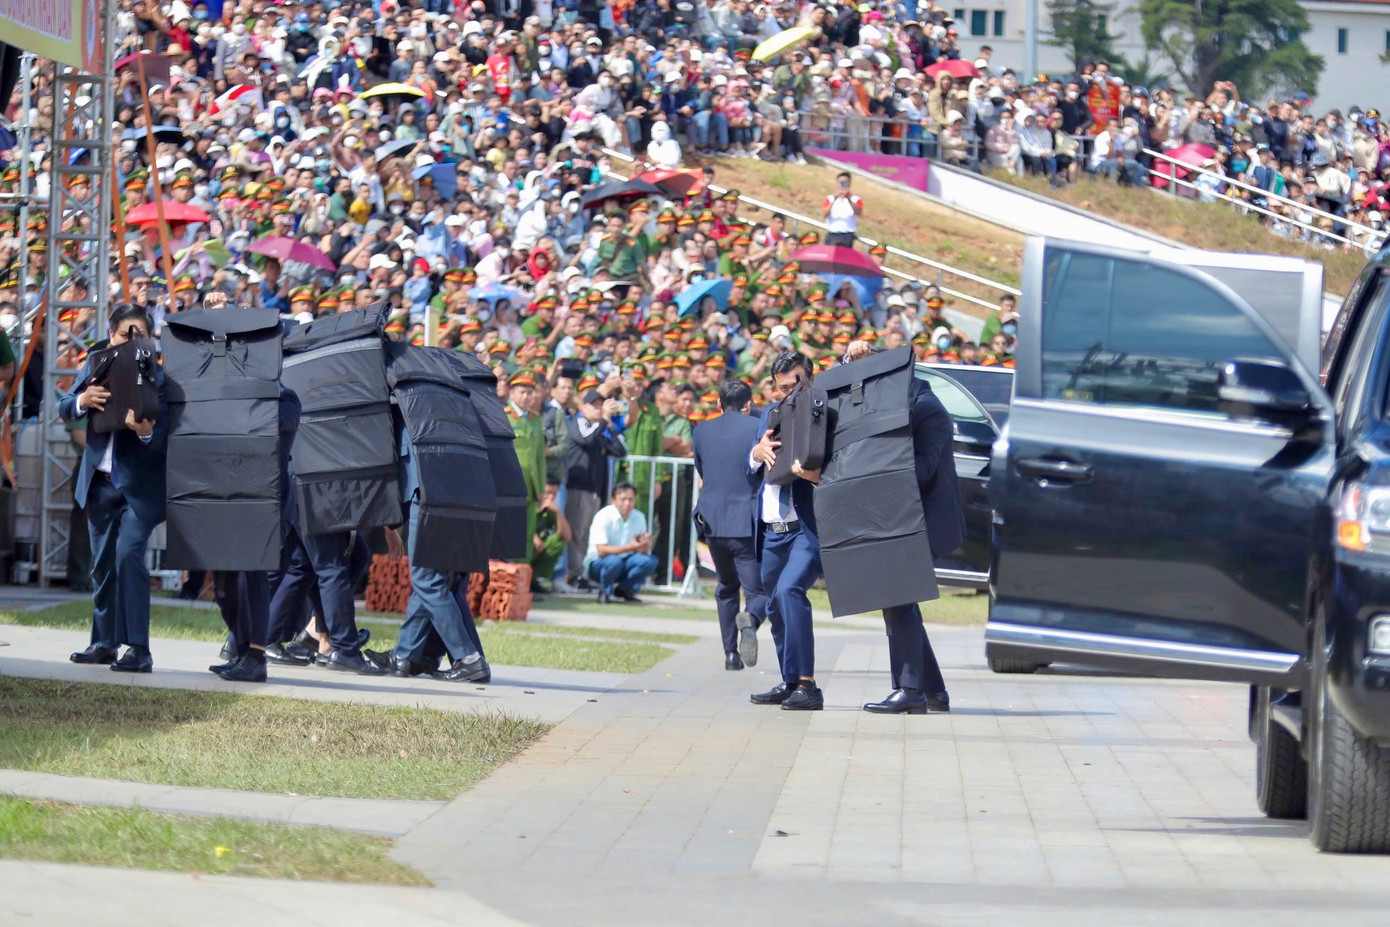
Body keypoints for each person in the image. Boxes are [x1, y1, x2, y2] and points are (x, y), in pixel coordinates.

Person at [843, 342, 965, 714]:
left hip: (923, 521)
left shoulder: (927, 410)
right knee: (899, 602)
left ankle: (910, 689)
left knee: (898, 600)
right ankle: (933, 691)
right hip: (897, 517)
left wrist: (882, 446)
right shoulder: (890, 407)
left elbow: (924, 470)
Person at [59, 304, 166, 674]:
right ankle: (104, 643)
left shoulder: (160, 378)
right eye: (125, 335)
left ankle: (139, 648)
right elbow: (62, 406)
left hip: (140, 490)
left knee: (128, 555)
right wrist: (81, 401)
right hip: (100, 486)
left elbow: (169, 434)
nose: (132, 342)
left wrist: (145, 431)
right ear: (111, 335)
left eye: (140, 335)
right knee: (102, 565)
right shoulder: (94, 366)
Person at [747, 351, 823, 711]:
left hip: (804, 528)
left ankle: (808, 684)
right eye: (781, 388)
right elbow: (750, 468)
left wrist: (815, 475)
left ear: (809, 378)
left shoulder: (824, 411)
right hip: (772, 531)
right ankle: (789, 679)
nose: (788, 393)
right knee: (775, 604)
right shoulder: (770, 413)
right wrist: (756, 452)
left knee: (792, 591)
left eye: (794, 385)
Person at [692, 378, 766, 671]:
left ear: (718, 404)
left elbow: (701, 468)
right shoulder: (755, 428)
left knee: (725, 586)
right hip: (745, 521)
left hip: (711, 521)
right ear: (748, 404)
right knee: (758, 592)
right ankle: (752, 619)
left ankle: (730, 655)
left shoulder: (701, 430)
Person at [564, 388, 627, 588]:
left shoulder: (598, 429)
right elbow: (585, 439)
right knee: (576, 532)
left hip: (594, 490)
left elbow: (620, 450)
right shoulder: (577, 423)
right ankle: (573, 574)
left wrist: (611, 427)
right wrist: (602, 422)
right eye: (595, 405)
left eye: (602, 406)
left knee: (585, 533)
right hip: (578, 487)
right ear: (584, 407)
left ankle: (580, 573)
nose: (599, 409)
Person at [583, 481, 659, 605]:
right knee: (614, 561)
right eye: (623, 499)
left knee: (650, 561)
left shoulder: (639, 517)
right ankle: (605, 591)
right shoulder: (603, 516)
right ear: (613, 500)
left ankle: (625, 589)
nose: (627, 503)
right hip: (599, 563)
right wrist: (629, 547)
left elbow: (642, 551)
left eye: (631, 499)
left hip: (624, 561)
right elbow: (601, 551)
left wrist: (644, 544)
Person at [821, 170, 862, 247]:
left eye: (845, 183)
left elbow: (859, 213)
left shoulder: (856, 199)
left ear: (849, 183)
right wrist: (835, 199)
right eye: (840, 182)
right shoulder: (830, 198)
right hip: (832, 232)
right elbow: (824, 214)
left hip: (847, 234)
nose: (842, 185)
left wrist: (848, 199)